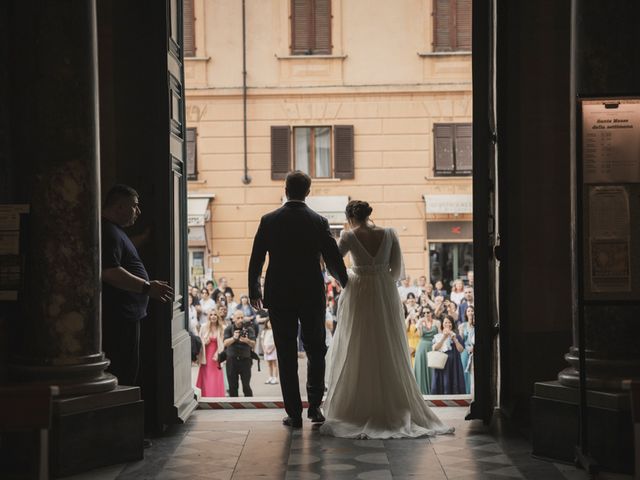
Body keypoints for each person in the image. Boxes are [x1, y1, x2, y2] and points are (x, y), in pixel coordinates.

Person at [320, 200, 453, 439]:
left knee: (358, 342)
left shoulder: (349, 237)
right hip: (384, 289)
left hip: (359, 290)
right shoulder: (390, 233)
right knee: (387, 341)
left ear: (350, 216)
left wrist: (352, 274)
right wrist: (378, 274)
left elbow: (333, 263)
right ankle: (394, 401)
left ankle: (358, 405)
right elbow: (396, 269)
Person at [248, 171, 348, 428]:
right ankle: (314, 407)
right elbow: (332, 257)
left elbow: (257, 258)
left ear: (285, 189)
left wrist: (254, 291)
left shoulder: (269, 220)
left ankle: (294, 413)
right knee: (316, 350)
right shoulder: (319, 221)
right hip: (311, 293)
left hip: (279, 294)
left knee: (286, 353)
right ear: (308, 191)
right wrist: (345, 282)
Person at [101, 184, 173, 387]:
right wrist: (147, 287)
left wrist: (142, 239)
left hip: (126, 314)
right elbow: (109, 271)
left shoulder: (115, 231)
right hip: (120, 317)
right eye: (134, 206)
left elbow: (121, 252)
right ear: (120, 207)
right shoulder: (108, 232)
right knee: (123, 372)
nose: (138, 211)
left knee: (128, 369)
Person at [223, 310, 256, 397]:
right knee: (232, 386)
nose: (240, 320)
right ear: (233, 319)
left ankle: (249, 403)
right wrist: (234, 338)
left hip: (245, 360)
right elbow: (225, 343)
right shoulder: (229, 329)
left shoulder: (249, 329)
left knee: (246, 385)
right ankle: (234, 405)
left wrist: (247, 340)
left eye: (242, 317)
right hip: (231, 361)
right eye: (238, 318)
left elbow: (253, 343)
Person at [431, 316, 466, 395]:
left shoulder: (457, 336)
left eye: (449, 322)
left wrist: (454, 338)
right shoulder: (438, 336)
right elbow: (435, 348)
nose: (448, 324)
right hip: (441, 363)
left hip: (454, 364)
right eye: (445, 322)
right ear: (442, 324)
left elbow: (461, 350)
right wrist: (444, 337)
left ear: (452, 324)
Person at [195, 311, 225, 397]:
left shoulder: (222, 328)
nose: (213, 316)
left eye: (215, 314)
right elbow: (199, 341)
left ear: (218, 316)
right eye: (211, 314)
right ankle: (205, 394)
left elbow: (223, 343)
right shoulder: (204, 327)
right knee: (206, 375)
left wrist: (217, 353)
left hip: (217, 355)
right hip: (206, 355)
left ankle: (217, 395)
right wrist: (205, 341)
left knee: (216, 376)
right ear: (208, 317)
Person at [413, 309, 440, 395]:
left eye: (428, 312)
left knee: (432, 368)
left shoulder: (437, 322)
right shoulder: (421, 323)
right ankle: (421, 392)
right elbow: (420, 335)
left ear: (431, 313)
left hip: (433, 347)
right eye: (424, 313)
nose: (426, 314)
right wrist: (419, 324)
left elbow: (439, 335)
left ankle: (433, 390)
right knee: (422, 368)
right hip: (422, 347)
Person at [459, 305, 475, 394]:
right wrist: (460, 332)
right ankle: (466, 392)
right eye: (468, 311)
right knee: (465, 371)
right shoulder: (462, 325)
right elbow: (461, 340)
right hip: (465, 350)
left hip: (474, 350)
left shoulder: (476, 324)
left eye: (472, 311)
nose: (470, 313)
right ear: (465, 313)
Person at [262, 319, 278, 385]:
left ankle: (275, 378)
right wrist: (264, 349)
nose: (270, 324)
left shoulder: (274, 331)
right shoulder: (264, 331)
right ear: (266, 323)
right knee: (269, 364)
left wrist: (271, 349)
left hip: (272, 349)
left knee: (274, 364)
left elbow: (275, 341)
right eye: (269, 323)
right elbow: (262, 341)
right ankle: (270, 377)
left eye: (271, 323)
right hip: (266, 349)